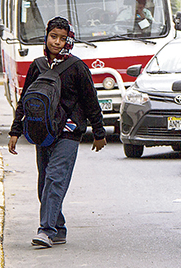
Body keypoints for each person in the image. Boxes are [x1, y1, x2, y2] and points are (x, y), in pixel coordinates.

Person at [8, 16, 107, 248]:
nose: (57, 42)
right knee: (45, 184)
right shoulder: (38, 66)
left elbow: (91, 101)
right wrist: (16, 129)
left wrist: (99, 132)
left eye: (63, 38)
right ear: (46, 36)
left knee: (55, 178)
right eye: (54, 37)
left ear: (69, 40)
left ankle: (46, 230)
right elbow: (24, 100)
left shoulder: (77, 68)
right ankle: (59, 228)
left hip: (69, 133)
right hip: (43, 132)